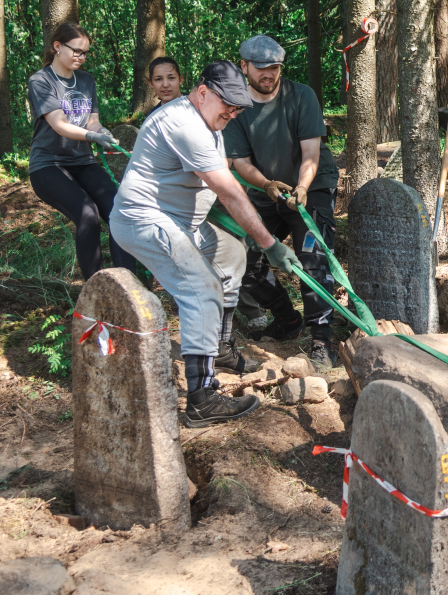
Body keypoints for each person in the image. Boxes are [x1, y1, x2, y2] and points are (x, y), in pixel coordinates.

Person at [111, 61, 300, 427]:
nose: (232, 111)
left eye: (238, 106)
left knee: (230, 255)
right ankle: (201, 398)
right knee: (201, 288)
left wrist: (249, 234)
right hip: (146, 220)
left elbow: (224, 179)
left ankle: (221, 348)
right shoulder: (184, 124)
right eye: (227, 103)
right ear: (201, 92)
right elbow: (227, 191)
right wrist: (269, 242)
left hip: (185, 222)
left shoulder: (209, 120)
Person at [224, 35, 342, 369]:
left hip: (312, 187)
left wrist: (302, 187)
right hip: (264, 191)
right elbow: (241, 162)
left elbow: (311, 152)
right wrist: (266, 184)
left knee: (313, 258)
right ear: (244, 66)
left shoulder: (301, 95)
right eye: (261, 68)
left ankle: (322, 338)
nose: (269, 74)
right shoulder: (235, 107)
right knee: (243, 259)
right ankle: (288, 319)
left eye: (275, 68)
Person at [27, 21, 136, 282]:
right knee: (87, 214)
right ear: (57, 47)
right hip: (48, 165)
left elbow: (92, 121)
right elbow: (59, 124)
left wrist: (103, 132)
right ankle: (95, 290)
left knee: (119, 210)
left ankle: (131, 286)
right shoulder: (40, 80)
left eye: (85, 52)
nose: (81, 57)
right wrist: (92, 135)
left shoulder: (86, 80)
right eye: (76, 51)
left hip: (83, 160)